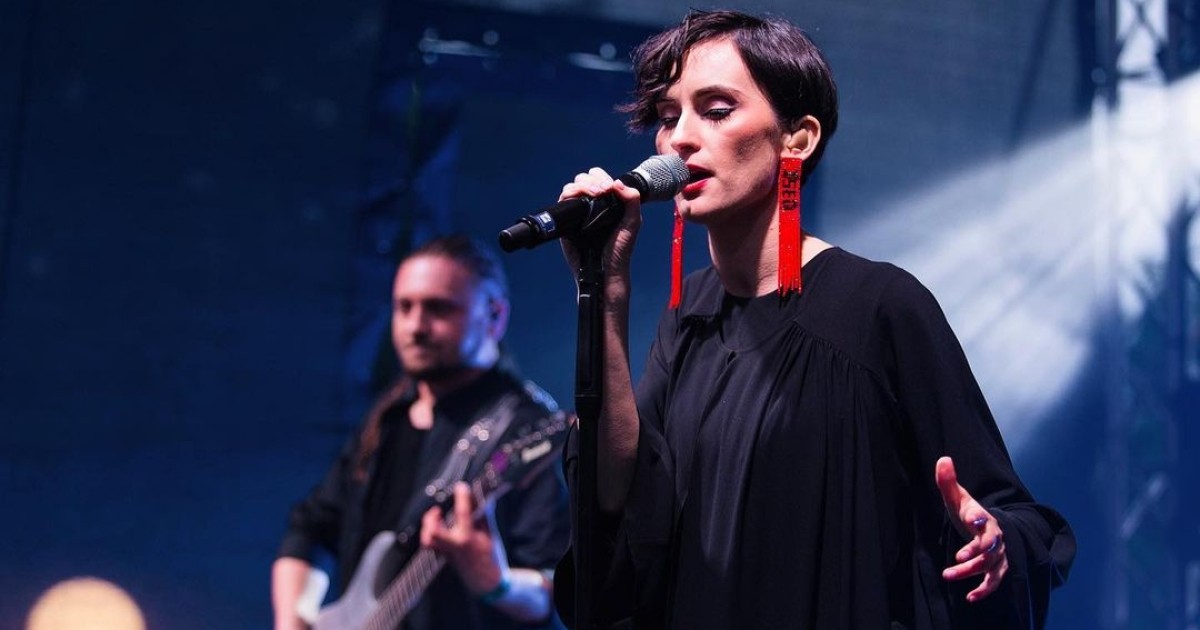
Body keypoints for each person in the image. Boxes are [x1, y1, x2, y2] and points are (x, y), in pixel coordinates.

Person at [551, 9, 1075, 630]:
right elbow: (620, 502)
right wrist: (607, 293)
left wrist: (994, 541)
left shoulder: (877, 306)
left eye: (715, 110)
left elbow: (1007, 508)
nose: (679, 140)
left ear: (796, 139)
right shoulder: (689, 315)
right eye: (668, 117)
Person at [273, 234, 569, 630]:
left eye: (438, 308)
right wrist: (292, 618)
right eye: (404, 307)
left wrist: (497, 584)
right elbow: (310, 526)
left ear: (494, 315)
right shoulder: (388, 413)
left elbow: (554, 591)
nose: (415, 326)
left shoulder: (528, 431)